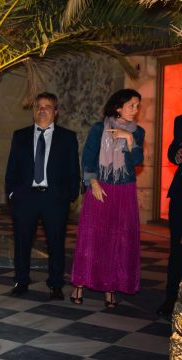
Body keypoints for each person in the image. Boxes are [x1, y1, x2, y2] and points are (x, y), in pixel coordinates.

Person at [70, 89, 145, 307]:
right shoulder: (98, 128)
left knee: (119, 239)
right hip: (99, 188)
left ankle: (111, 287)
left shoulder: (137, 132)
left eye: (137, 106)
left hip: (124, 190)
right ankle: (80, 284)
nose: (135, 109)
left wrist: (129, 138)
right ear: (118, 107)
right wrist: (92, 182)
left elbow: (137, 162)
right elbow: (89, 158)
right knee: (91, 236)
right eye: (132, 105)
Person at [5, 92, 81, 300]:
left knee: (56, 243)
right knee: (22, 242)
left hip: (54, 198)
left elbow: (74, 170)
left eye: (47, 107)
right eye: (38, 106)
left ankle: (56, 284)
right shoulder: (20, 136)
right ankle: (21, 281)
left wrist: (69, 195)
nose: (42, 110)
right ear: (33, 111)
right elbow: (12, 168)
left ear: (55, 112)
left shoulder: (67, 137)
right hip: (25, 197)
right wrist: (13, 193)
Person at [157, 114, 182, 316]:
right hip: (181, 195)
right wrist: (176, 155)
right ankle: (171, 299)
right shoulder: (180, 121)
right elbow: (173, 149)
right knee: (177, 249)